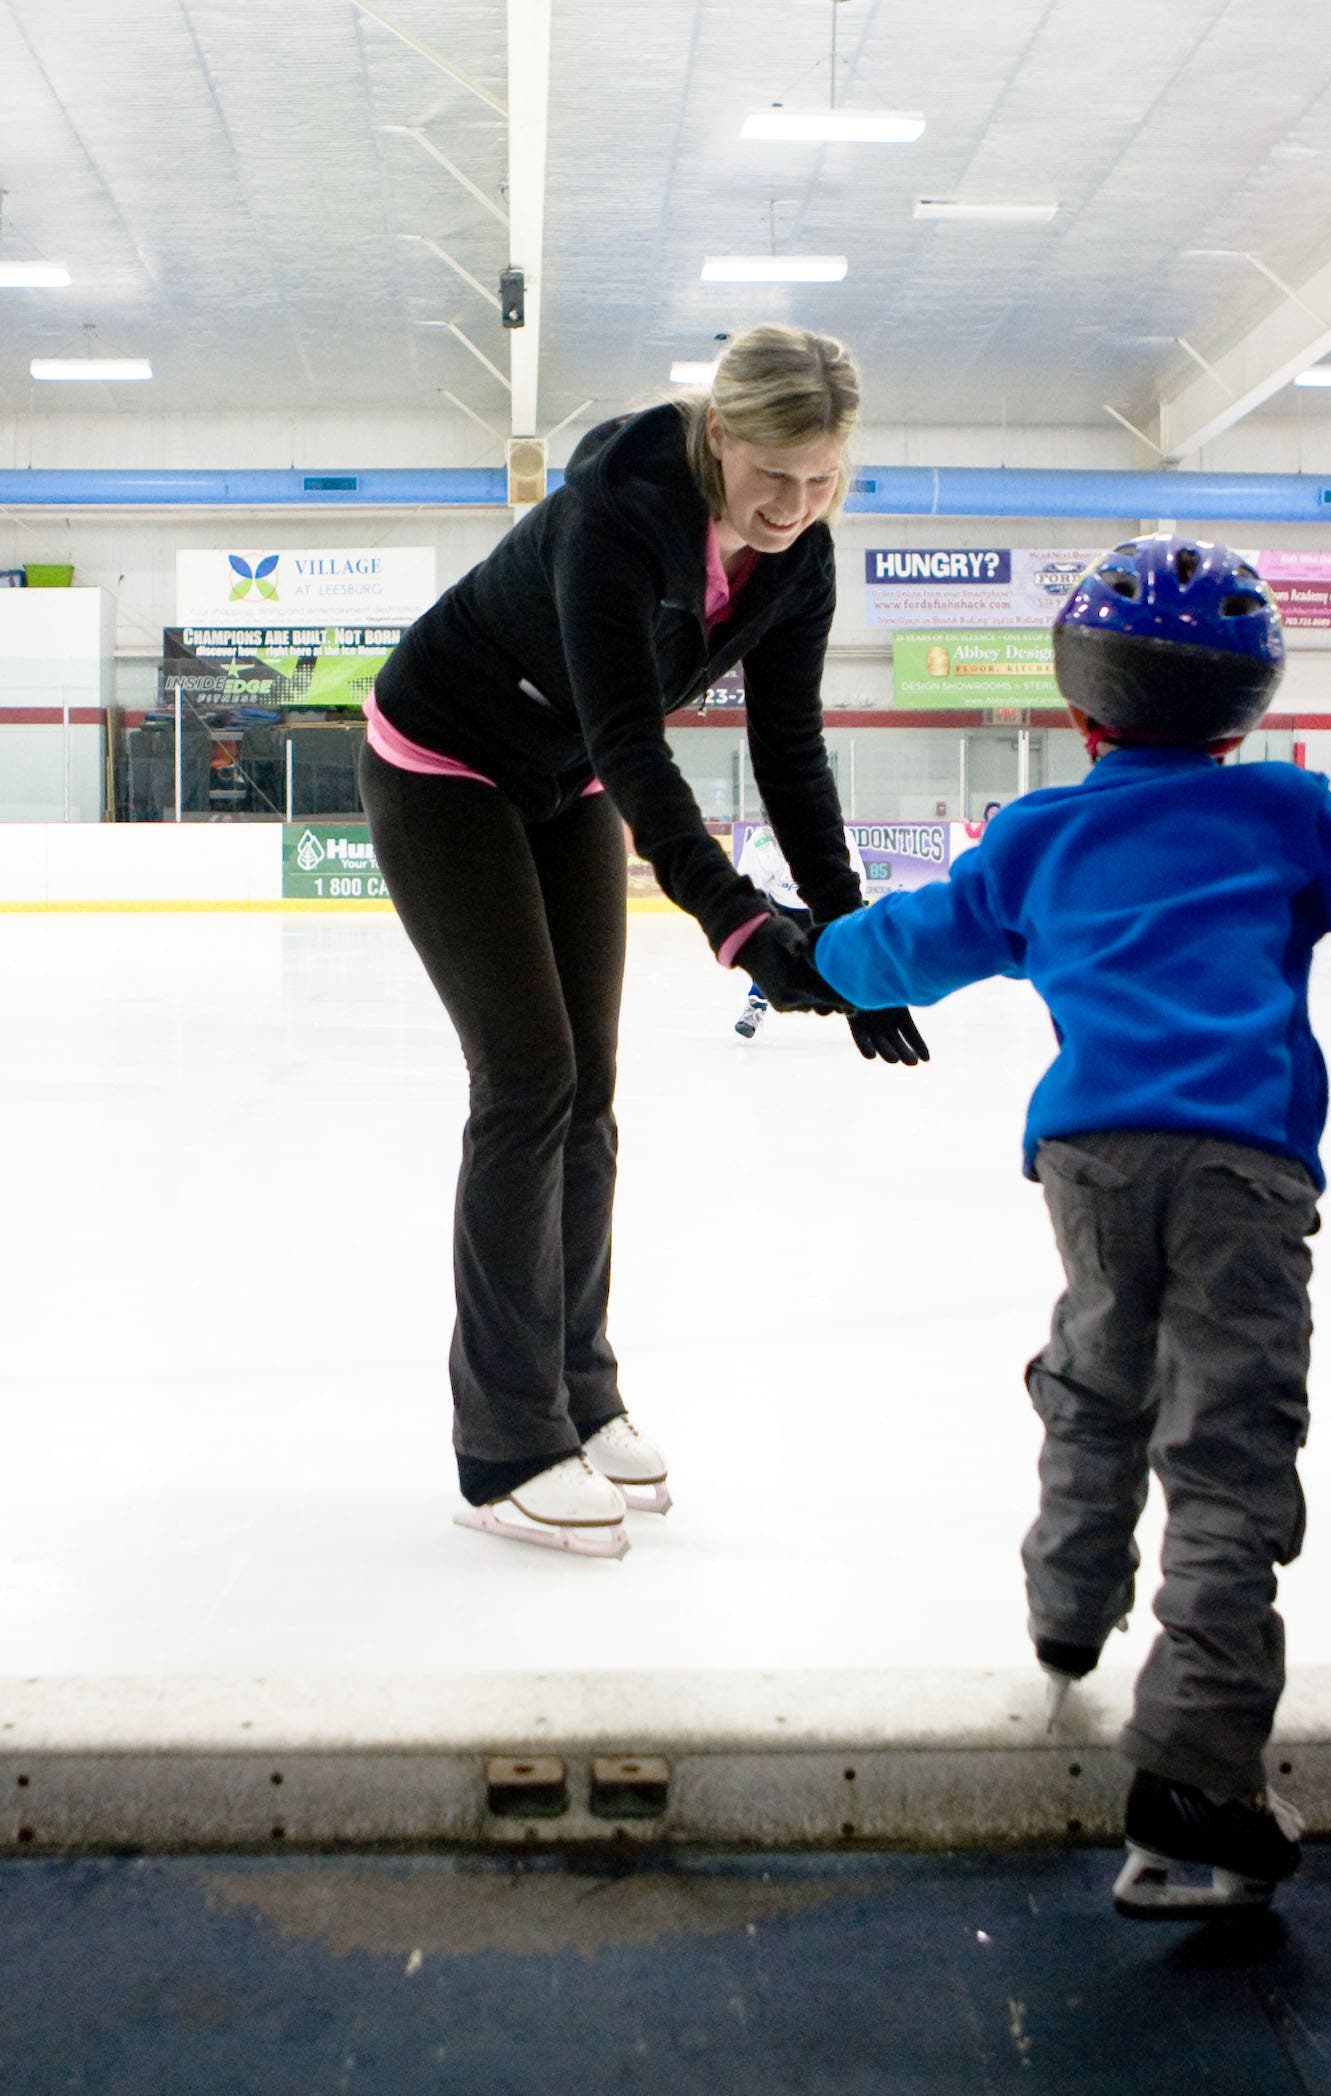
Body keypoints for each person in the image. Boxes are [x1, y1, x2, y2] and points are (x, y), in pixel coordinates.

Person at [807, 531, 1331, 1919]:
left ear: (1079, 706)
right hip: (1243, 1171)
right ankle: (1191, 1786)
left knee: (1099, 1372)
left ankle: (1068, 1613)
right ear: (1250, 704)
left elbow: (909, 947)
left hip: (1090, 1160)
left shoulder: (1039, 835)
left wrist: (807, 951)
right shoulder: (1287, 817)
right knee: (1230, 1456)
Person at [358, 324, 928, 1561]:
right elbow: (637, 744)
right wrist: (737, 923)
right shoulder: (617, 516)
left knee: (593, 1087)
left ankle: (580, 1387)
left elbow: (789, 749)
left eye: (824, 478)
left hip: (562, 779)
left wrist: (848, 937)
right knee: (527, 1077)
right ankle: (507, 1443)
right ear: (719, 434)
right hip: (443, 759)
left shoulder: (799, 557)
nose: (794, 506)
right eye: (775, 474)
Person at [732, 820, 867, 1038]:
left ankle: (862, 1008)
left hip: (821, 905)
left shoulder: (836, 834)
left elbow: (855, 874)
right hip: (778, 907)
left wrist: (854, 910)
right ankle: (756, 1005)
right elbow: (749, 883)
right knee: (769, 959)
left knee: (838, 959)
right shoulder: (762, 842)